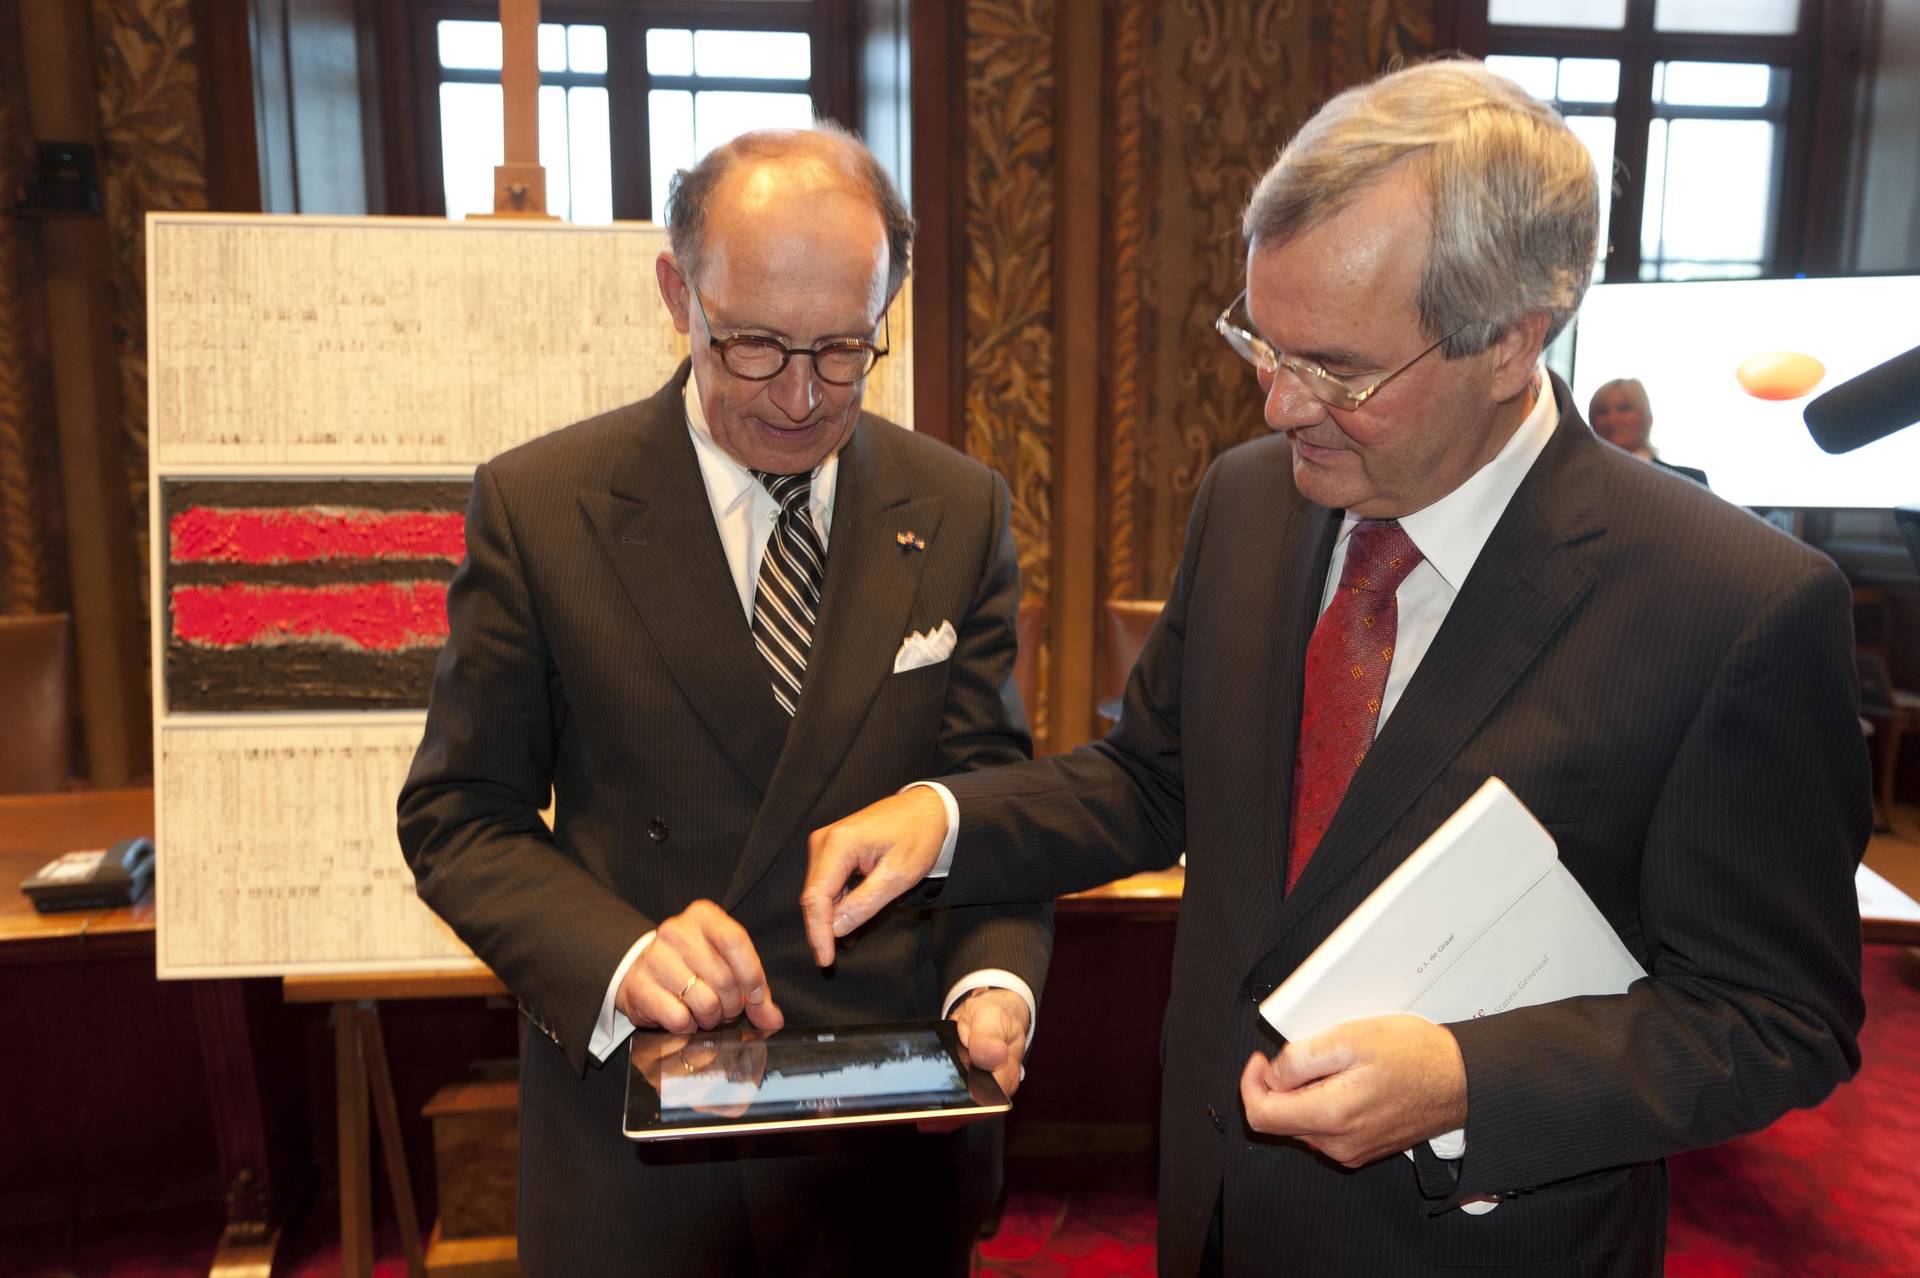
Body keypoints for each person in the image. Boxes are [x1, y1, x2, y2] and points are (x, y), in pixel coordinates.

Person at [803, 60, 1867, 1277]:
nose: (1276, 403)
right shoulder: (1252, 503)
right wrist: (941, 821)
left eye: (1338, 370)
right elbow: (1154, 782)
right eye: (1262, 338)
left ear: (1515, 338)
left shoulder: (1730, 603)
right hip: (1214, 1218)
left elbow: (1778, 1019)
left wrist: (1469, 1081)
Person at [398, 123, 1051, 1278]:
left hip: (880, 1134)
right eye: (754, 345)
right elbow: (459, 816)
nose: (801, 397)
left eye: (844, 350)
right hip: (640, 1144)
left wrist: (991, 980)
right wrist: (616, 956)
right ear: (677, 293)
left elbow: (986, 799)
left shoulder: (959, 507)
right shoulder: (543, 506)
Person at [1588, 376, 1710, 486]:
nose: (1612, 420)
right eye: (1602, 412)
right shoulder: (1582, 481)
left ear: (1647, 418)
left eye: (1624, 409)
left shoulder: (1691, 481)